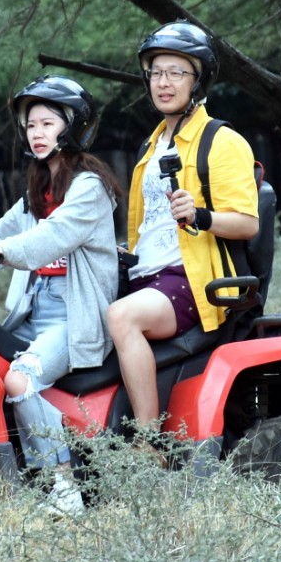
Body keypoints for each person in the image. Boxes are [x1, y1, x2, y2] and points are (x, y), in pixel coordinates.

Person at [0, 76, 120, 516]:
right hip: (31, 312)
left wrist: (2, 253)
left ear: (73, 126)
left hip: (73, 318)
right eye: (30, 125)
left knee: (19, 379)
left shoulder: (89, 189)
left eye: (47, 123)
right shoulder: (38, 190)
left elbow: (49, 240)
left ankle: (64, 488)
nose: (37, 134)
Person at [107, 21, 259, 436]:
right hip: (147, 276)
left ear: (198, 81)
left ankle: (146, 441)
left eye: (176, 72)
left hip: (192, 280)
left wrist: (200, 215)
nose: (163, 82)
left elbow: (247, 223)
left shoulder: (222, 141)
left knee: (121, 318)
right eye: (156, 72)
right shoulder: (150, 146)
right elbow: (146, 228)